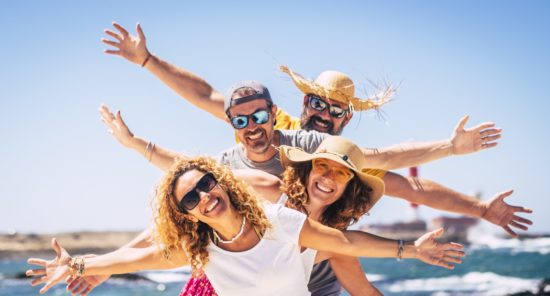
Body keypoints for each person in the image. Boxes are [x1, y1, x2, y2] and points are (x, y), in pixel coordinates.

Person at [96, 22, 532, 295]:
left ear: (346, 118)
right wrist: (148, 61)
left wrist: (469, 187)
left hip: (312, 280)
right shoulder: (273, 129)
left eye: (335, 110)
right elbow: (206, 103)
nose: (323, 115)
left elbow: (405, 177)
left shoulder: (341, 162)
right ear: (303, 105)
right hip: (245, 274)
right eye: (316, 105)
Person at [26, 156, 465, 296]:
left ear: (222, 182)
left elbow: (344, 241)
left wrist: (410, 249)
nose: (203, 196)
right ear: (188, 214)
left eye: (206, 184)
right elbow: (138, 256)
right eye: (191, 199)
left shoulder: (283, 223)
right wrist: (80, 265)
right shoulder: (200, 251)